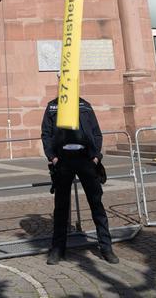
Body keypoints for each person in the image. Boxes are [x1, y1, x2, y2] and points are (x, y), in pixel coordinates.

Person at [40, 93, 116, 265]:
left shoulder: (84, 105)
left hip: (85, 159)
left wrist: (95, 156)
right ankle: (58, 250)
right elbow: (46, 134)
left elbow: (96, 133)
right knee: (61, 207)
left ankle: (106, 247)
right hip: (63, 160)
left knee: (96, 204)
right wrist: (53, 157)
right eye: (60, 78)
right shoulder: (53, 106)